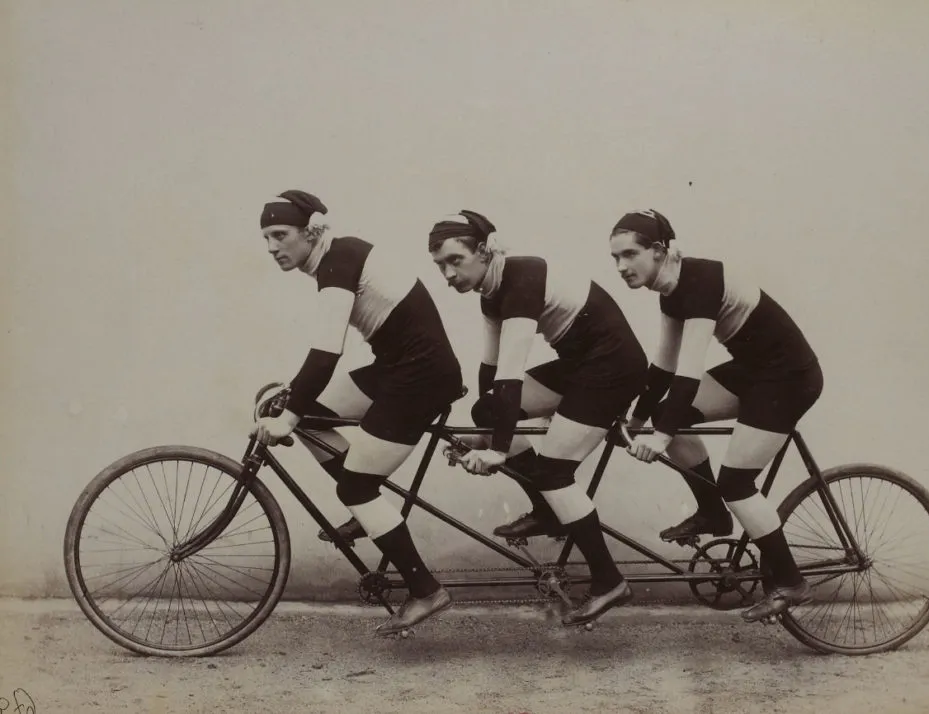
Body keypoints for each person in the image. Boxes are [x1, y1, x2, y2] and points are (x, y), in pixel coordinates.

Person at [250, 190, 464, 635]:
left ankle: (425, 590)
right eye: (266, 237)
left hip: (421, 377)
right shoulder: (335, 259)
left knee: (353, 485)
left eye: (280, 235)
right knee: (310, 413)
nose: (272, 247)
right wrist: (291, 404)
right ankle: (369, 509)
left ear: (310, 232)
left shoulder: (339, 259)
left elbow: (327, 350)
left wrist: (287, 417)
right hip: (398, 368)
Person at [427, 210, 648, 626]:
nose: (447, 273)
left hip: (613, 367)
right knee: (486, 409)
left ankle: (609, 580)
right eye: (440, 265)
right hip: (581, 365)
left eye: (455, 260)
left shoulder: (521, 279)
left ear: (485, 250)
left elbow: (511, 371)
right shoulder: (490, 291)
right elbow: (491, 373)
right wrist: (486, 430)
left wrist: (498, 450)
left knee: (553, 473)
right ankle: (547, 510)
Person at [609, 209, 823, 621]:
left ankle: (792, 581)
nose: (621, 267)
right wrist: (638, 422)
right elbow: (664, 368)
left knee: (737, 482)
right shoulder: (669, 290)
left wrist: (661, 438)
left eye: (629, 254)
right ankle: (712, 512)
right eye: (615, 258)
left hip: (788, 379)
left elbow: (688, 370)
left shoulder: (702, 280)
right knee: (673, 413)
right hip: (753, 371)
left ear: (658, 251)